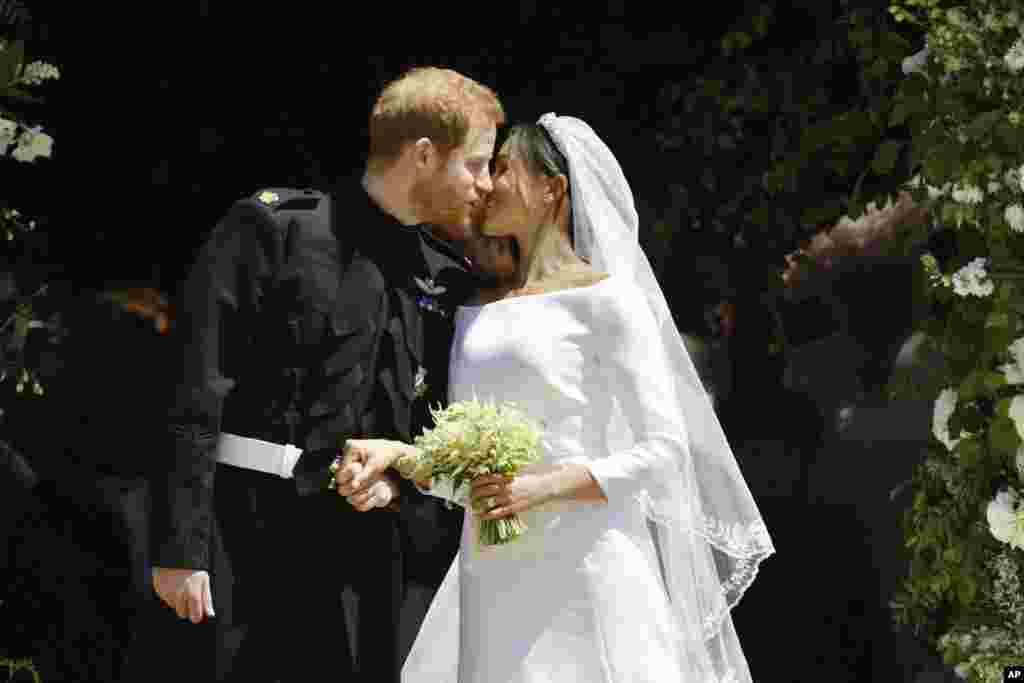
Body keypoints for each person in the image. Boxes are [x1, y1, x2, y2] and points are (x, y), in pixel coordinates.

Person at [336, 115, 774, 682]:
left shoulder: (608, 301)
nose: (488, 183)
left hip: (584, 571)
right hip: (490, 579)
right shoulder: (477, 309)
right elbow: (471, 476)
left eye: (504, 169)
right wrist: (399, 455)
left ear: (553, 188)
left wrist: (539, 487)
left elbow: (666, 451)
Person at [134, 67, 505, 682]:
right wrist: (179, 549)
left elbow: (433, 418)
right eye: (475, 164)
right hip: (242, 533)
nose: (484, 185)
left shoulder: (443, 275)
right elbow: (195, 386)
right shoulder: (275, 230)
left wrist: (400, 486)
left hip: (364, 556)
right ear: (422, 156)